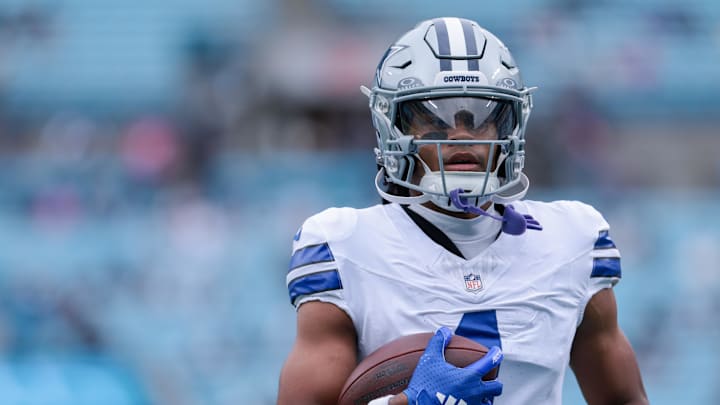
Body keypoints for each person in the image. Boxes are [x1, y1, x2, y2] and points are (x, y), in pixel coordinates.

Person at [278, 17, 648, 405]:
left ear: (512, 126)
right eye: (432, 118)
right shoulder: (344, 246)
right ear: (392, 128)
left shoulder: (574, 238)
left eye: (481, 117)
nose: (460, 134)